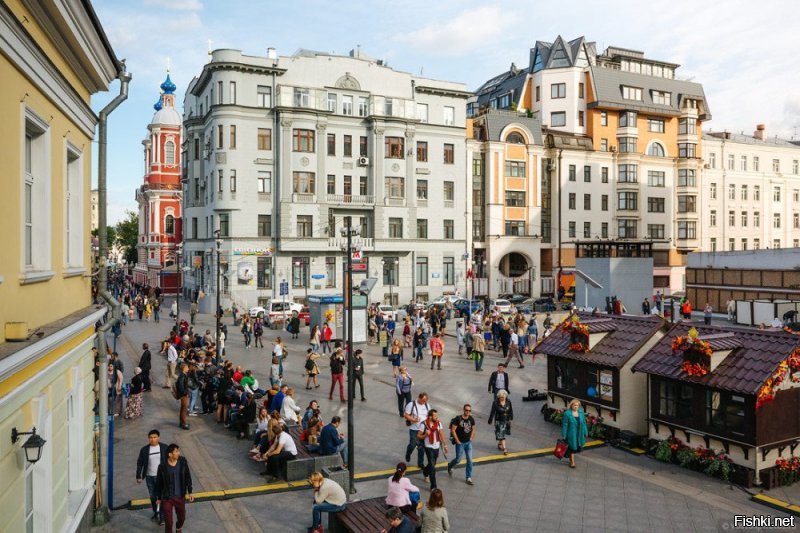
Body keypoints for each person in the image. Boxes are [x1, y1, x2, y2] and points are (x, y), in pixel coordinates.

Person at [155, 443, 194, 533]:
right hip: (167, 498)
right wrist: (158, 497)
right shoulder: (162, 467)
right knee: (168, 522)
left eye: (178, 451)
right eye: (176, 451)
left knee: (182, 518)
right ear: (170, 454)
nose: (179, 453)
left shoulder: (183, 462)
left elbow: (188, 477)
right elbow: (159, 483)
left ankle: (178, 527)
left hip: (180, 497)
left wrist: (190, 491)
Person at [135, 429, 168, 524]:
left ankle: (162, 516)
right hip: (149, 477)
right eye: (150, 438)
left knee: (161, 496)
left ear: (158, 437)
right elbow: (140, 463)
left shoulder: (164, 447)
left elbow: (170, 461)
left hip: (161, 477)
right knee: (153, 496)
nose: (152, 439)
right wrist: (138, 475)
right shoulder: (144, 450)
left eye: (154, 437)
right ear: (148, 439)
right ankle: (156, 512)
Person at [447, 404, 475, 485]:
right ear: (463, 410)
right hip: (460, 443)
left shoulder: (471, 419)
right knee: (458, 459)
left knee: (470, 460)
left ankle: (468, 477)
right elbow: (453, 430)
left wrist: (471, 438)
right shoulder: (458, 419)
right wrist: (457, 440)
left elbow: (473, 429)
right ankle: (450, 465)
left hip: (468, 442)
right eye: (466, 410)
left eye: (469, 410)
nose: (468, 412)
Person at [419, 409, 448, 490]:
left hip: (436, 446)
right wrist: (425, 435)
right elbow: (419, 436)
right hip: (428, 447)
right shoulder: (424, 424)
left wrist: (445, 445)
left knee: (433, 463)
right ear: (430, 416)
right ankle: (433, 486)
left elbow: (441, 434)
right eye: (435, 416)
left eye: (437, 416)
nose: (437, 417)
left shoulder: (438, 423)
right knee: (432, 467)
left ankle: (425, 472)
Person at [404, 392, 430, 470]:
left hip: (423, 429)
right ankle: (408, 453)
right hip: (414, 429)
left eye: (425, 401)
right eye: (423, 400)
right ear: (419, 398)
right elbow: (406, 415)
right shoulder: (411, 405)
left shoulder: (427, 405)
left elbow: (429, 415)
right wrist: (413, 419)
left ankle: (420, 463)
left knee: (421, 447)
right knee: (412, 444)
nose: (424, 402)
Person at [561, 398, 589, 468]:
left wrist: (585, 432)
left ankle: (572, 459)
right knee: (572, 448)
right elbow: (565, 425)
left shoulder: (581, 412)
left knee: (577, 446)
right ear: (571, 405)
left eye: (577, 405)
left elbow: (584, 423)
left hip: (579, 433)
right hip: (571, 434)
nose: (576, 407)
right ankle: (572, 462)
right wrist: (564, 435)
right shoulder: (567, 414)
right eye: (574, 405)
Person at [488, 389, 513, 455]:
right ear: (498, 396)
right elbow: (492, 412)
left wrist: (511, 417)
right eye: (501, 397)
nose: (502, 398)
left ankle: (499, 443)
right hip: (499, 421)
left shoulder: (508, 401)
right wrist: (490, 420)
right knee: (502, 435)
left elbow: (510, 410)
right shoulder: (495, 402)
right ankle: (505, 449)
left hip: (506, 420)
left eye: (503, 397)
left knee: (503, 433)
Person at [175, 363, 190, 430]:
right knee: (184, 409)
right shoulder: (182, 376)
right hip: (183, 395)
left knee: (183, 408)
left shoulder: (183, 375)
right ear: (184, 368)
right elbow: (181, 386)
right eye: (187, 367)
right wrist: (185, 393)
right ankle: (183, 423)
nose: (188, 368)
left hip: (183, 394)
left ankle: (182, 422)